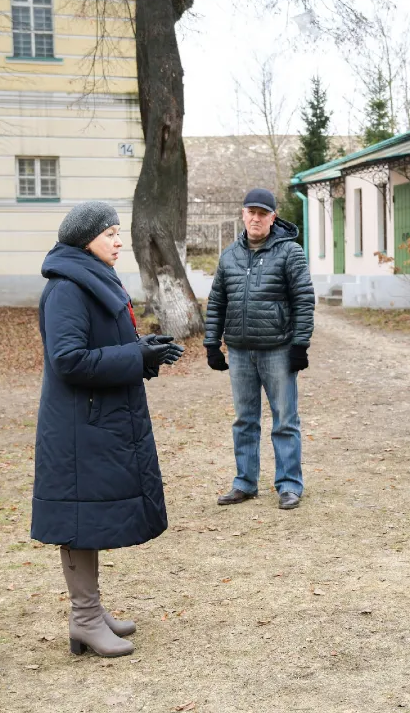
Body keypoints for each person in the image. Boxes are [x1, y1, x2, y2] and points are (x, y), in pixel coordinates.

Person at [32, 201, 184, 658]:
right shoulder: (67, 289)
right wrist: (135, 358)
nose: (119, 242)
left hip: (94, 420)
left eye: (119, 233)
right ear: (85, 239)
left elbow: (99, 344)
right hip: (79, 427)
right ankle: (83, 618)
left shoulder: (92, 278)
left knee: (89, 518)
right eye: (110, 234)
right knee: (78, 521)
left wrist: (142, 348)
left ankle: (91, 613)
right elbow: (69, 359)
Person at [204, 188, 315, 510]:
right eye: (251, 212)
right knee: (244, 420)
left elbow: (303, 300)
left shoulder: (289, 252)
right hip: (239, 351)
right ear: (243, 214)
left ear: (272, 217)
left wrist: (300, 344)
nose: (256, 218)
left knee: (284, 421)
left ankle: (289, 485)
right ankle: (244, 482)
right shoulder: (229, 255)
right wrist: (212, 343)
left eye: (262, 213)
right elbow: (217, 302)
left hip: (277, 350)